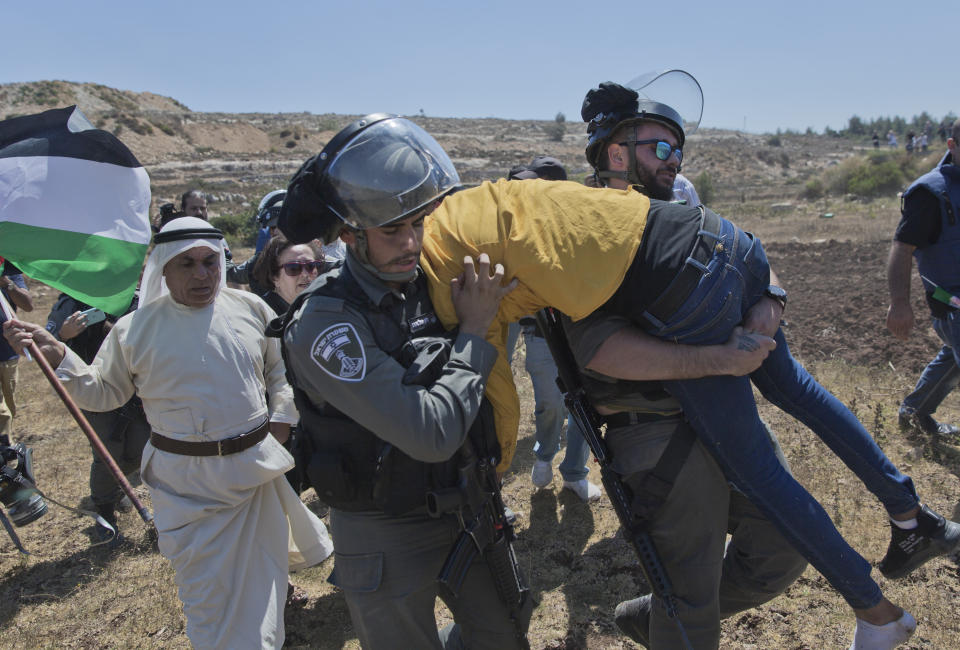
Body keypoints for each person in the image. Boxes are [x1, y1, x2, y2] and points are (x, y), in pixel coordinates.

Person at [278, 111, 959, 649]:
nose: (670, 164)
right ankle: (854, 603)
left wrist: (769, 293)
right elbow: (594, 347)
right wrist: (717, 358)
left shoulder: (616, 215)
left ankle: (657, 613)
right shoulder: (472, 267)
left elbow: (727, 244)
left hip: (481, 498)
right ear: (614, 158)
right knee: (690, 588)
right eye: (655, 149)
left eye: (674, 152)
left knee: (773, 545)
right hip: (650, 437)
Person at [4, 217, 333, 649]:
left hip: (255, 475)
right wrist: (60, 355)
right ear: (164, 268)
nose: (202, 274)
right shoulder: (134, 329)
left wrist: (282, 419)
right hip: (186, 487)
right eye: (187, 264)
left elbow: (280, 370)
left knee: (263, 588)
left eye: (210, 262)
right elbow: (103, 392)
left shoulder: (251, 309)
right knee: (207, 599)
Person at [279, 125, 527, 648]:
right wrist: (475, 331)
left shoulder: (432, 280)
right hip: (383, 529)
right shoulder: (326, 323)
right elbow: (429, 431)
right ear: (350, 233)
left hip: (466, 505)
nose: (411, 242)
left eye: (418, 223)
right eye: (393, 230)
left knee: (505, 633)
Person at [506, 157, 600, 502]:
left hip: (581, 327)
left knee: (585, 404)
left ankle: (575, 473)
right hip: (541, 332)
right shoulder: (517, 225)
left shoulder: (577, 220)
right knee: (551, 403)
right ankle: (545, 454)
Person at [45, 292, 149, 541]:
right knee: (107, 454)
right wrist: (62, 336)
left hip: (136, 387)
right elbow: (40, 349)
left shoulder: (132, 297)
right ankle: (105, 514)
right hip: (92, 392)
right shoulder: (68, 303)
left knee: (143, 448)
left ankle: (116, 489)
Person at [886, 118, 960, 437]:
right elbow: (902, 249)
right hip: (952, 302)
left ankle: (914, 415)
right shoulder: (931, 194)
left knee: (953, 359)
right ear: (952, 146)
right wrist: (899, 304)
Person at [0, 259, 33, 446]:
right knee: (1, 412)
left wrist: (7, 284)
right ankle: (7, 456)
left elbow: (28, 305)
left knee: (9, 410)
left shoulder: (8, 270)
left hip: (8, 353)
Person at [251, 235, 324, 316]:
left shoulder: (325, 309)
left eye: (310, 266)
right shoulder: (261, 314)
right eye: (293, 268)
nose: (305, 274)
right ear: (274, 277)